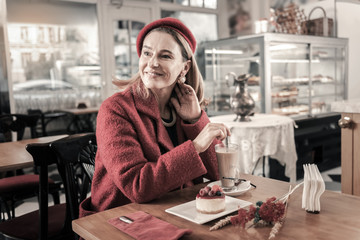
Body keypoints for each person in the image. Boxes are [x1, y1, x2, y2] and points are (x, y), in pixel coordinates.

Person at [80, 17, 230, 217]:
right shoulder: (115, 109)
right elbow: (137, 186)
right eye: (147, 53)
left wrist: (195, 121)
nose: (152, 63)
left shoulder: (184, 107)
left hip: (176, 212)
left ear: (184, 68)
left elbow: (219, 175)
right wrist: (195, 146)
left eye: (165, 56)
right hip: (120, 221)